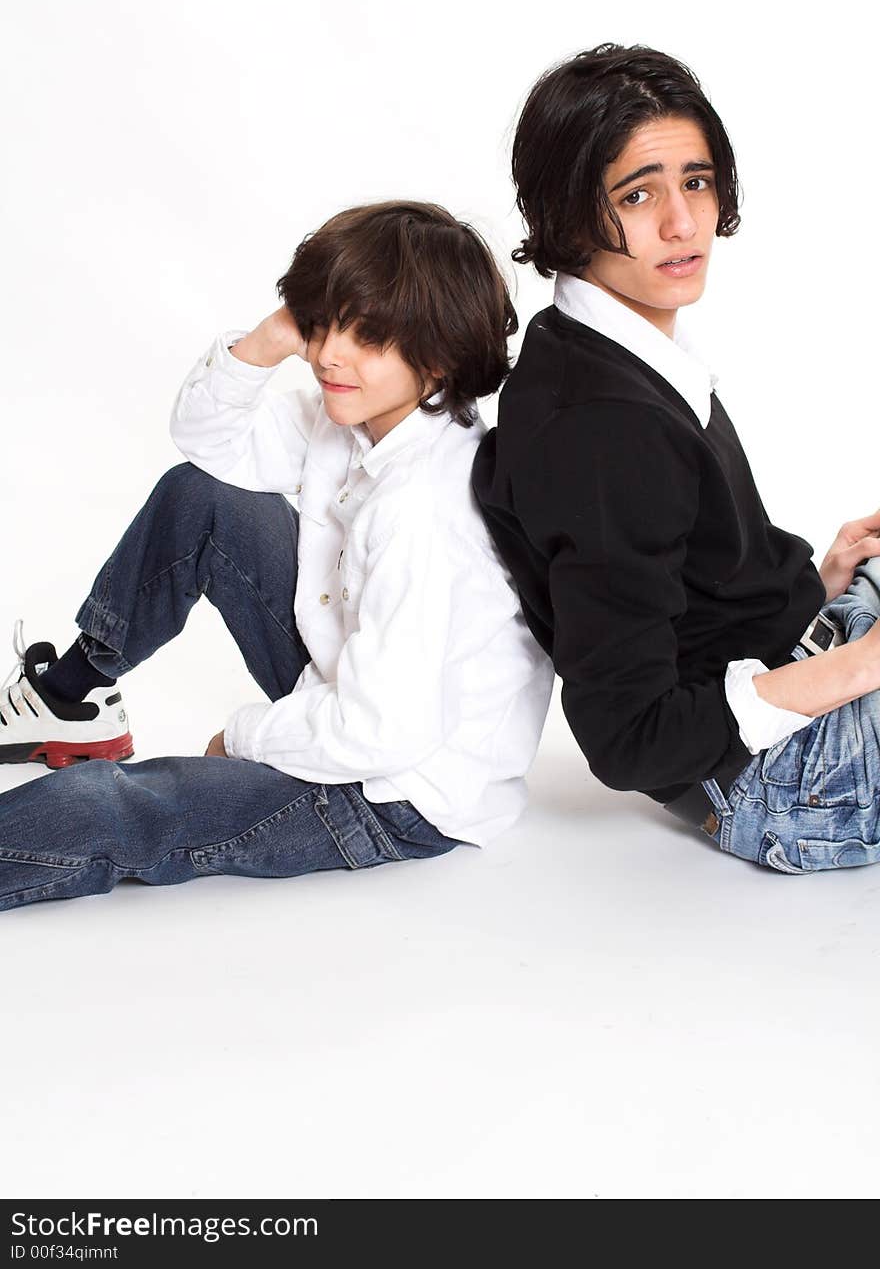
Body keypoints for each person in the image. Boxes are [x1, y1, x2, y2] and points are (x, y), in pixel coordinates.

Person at [0, 200, 553, 911]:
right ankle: (68, 697)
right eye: (325, 321)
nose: (330, 354)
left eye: (370, 335)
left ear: (441, 354)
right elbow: (208, 445)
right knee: (202, 497)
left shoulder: (424, 509)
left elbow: (384, 733)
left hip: (397, 793)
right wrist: (266, 341)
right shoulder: (356, 419)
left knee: (124, 805)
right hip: (356, 694)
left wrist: (243, 737)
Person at [472, 44, 880, 874]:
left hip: (789, 666)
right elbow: (631, 739)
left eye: (695, 181)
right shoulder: (603, 427)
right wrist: (864, 666)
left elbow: (685, 591)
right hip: (783, 782)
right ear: (569, 212)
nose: (682, 223)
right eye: (637, 193)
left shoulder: (605, 346)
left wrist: (818, 580)